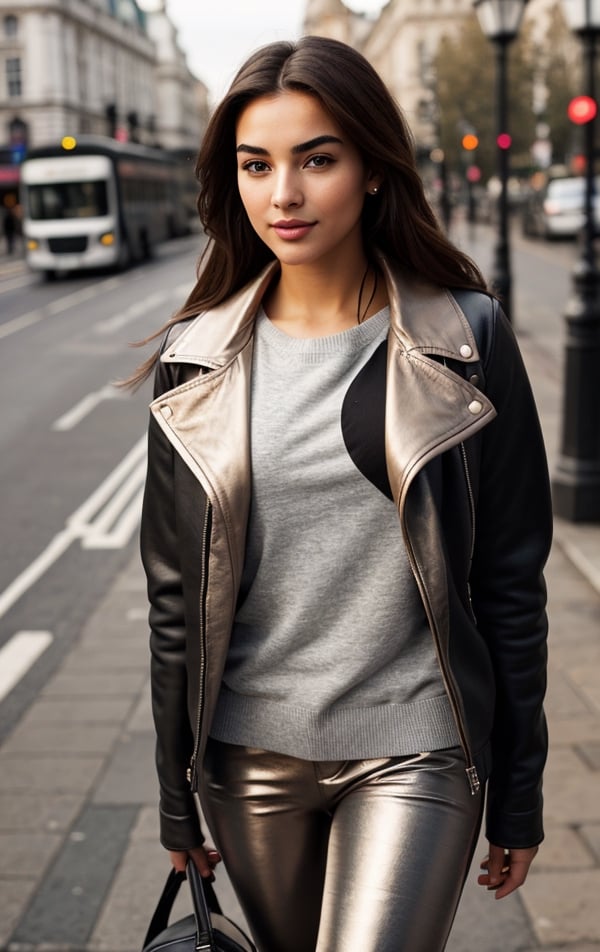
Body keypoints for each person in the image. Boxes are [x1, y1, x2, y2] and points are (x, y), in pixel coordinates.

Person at [133, 35, 552, 952]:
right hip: (249, 760)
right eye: (256, 164)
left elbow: (512, 582)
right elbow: (175, 601)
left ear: (370, 168)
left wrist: (519, 790)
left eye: (316, 159)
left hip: (417, 744)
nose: (282, 193)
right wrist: (177, 796)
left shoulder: (465, 340)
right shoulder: (194, 361)